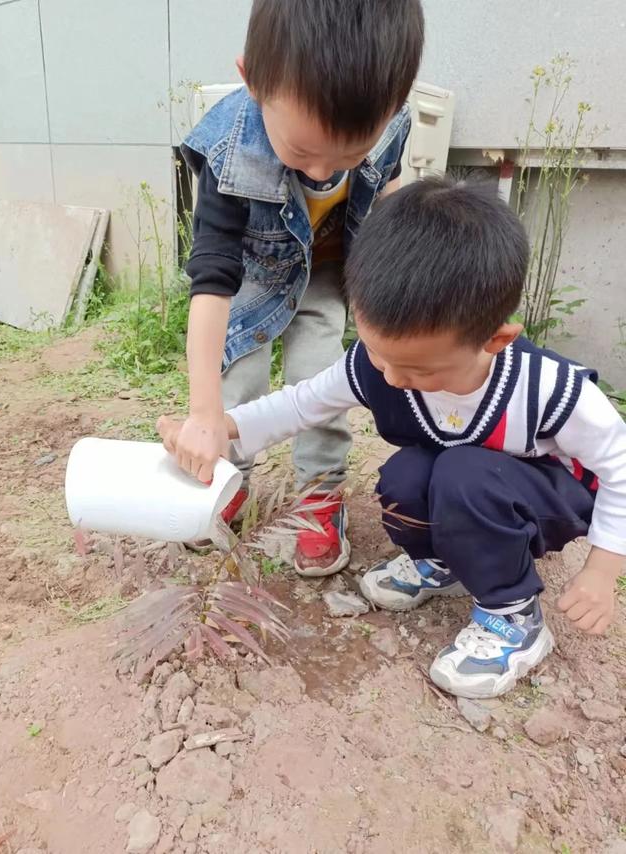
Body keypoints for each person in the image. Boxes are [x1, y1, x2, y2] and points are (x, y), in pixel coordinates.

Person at [160, 176, 626, 699]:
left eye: (416, 368)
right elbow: (299, 404)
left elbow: (620, 471)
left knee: (461, 475)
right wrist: (219, 429)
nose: (392, 377)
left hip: (548, 498)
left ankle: (513, 613)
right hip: (472, 482)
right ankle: (445, 558)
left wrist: (602, 571)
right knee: (405, 476)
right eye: (377, 352)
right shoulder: (378, 365)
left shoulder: (547, 390)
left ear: (494, 339)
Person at [174, 0, 425, 577]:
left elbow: (386, 194)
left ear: (393, 104)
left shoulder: (392, 124)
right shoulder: (228, 149)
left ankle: (320, 494)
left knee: (321, 385)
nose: (321, 172)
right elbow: (211, 278)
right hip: (250, 280)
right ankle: (226, 481)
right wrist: (203, 409)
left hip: (327, 279)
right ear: (252, 81)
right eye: (302, 152)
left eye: (350, 153)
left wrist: (398, 280)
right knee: (237, 386)